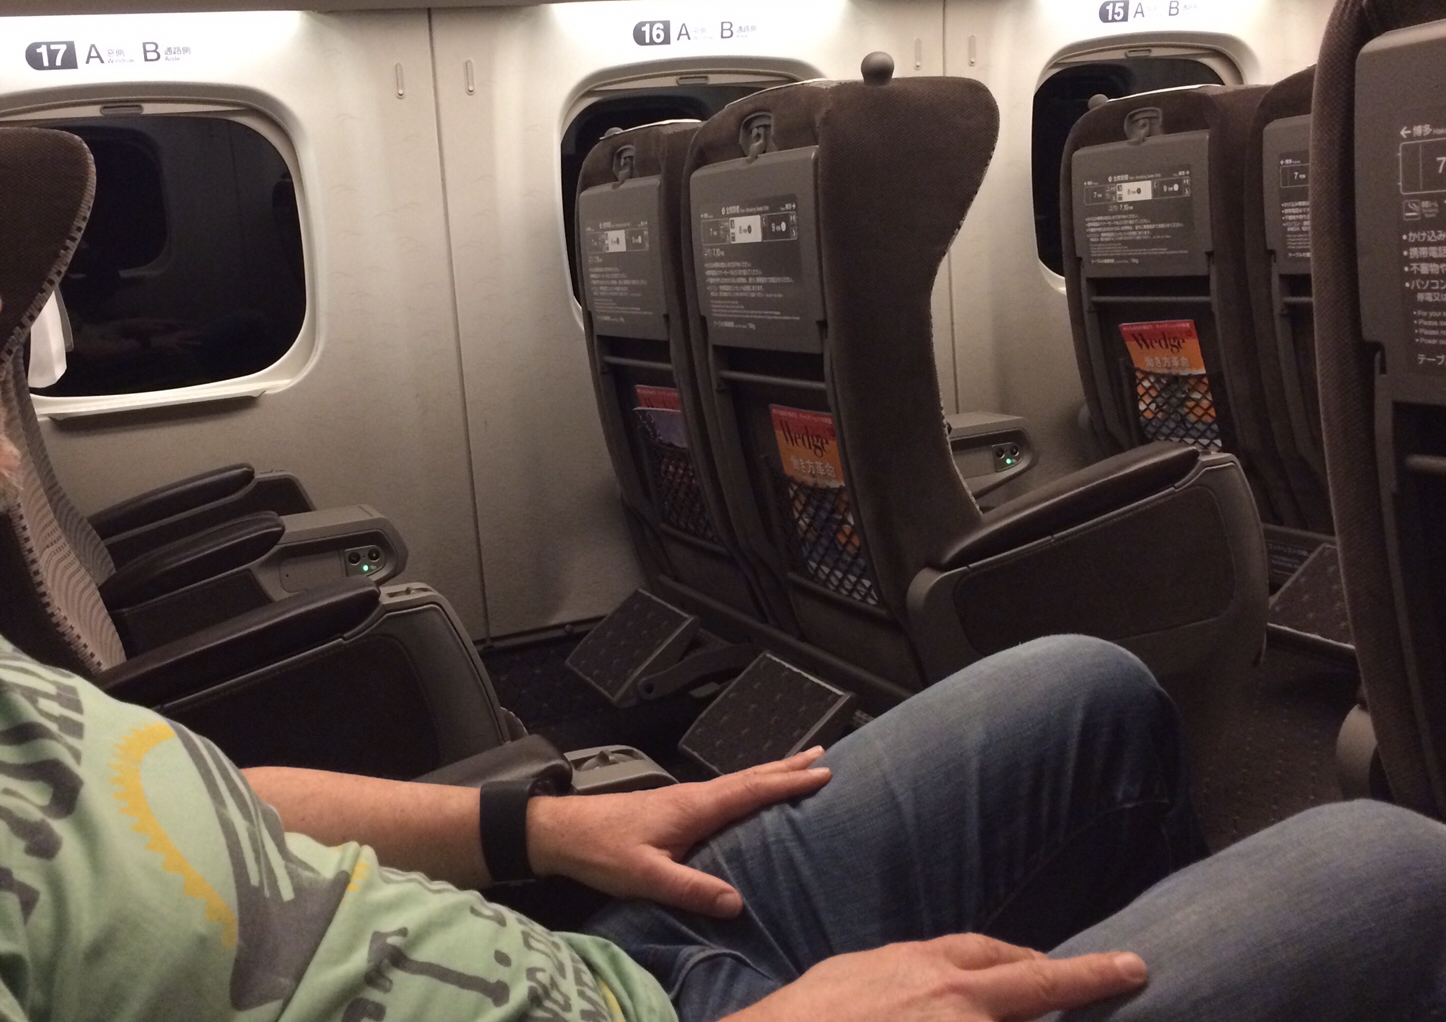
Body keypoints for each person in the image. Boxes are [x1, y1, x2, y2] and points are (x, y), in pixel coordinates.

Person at [1, 402, 1446, 1021]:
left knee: (1077, 686)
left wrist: (538, 828)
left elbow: (172, 799)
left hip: (579, 954)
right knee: (1391, 868)